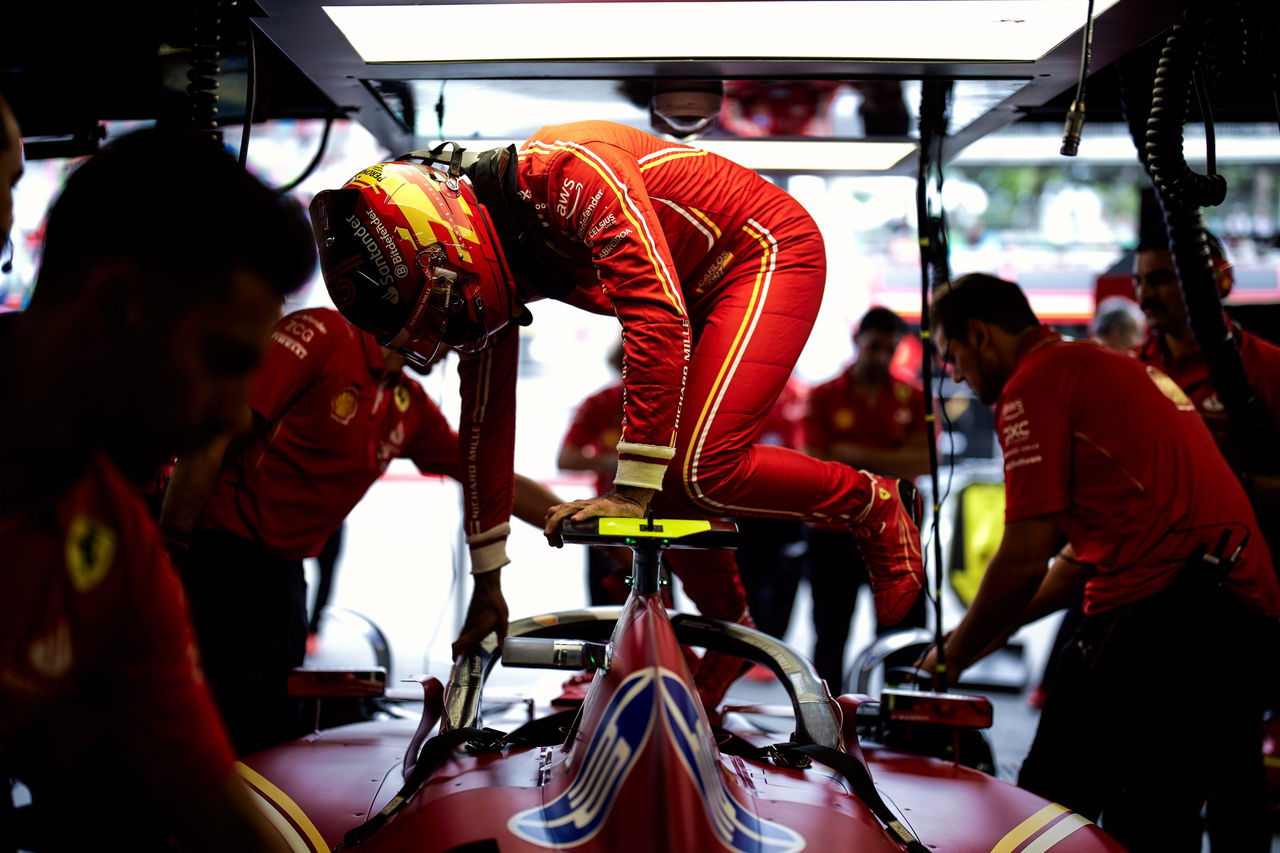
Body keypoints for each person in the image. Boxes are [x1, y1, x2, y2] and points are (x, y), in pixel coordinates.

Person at [309, 120, 925, 658]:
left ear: (446, 240)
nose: (449, 328)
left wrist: (629, 493)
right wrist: (488, 585)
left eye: (439, 304)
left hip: (761, 254)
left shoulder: (569, 169)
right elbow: (484, 430)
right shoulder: (492, 257)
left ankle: (871, 503)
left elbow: (655, 317)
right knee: (670, 479)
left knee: (698, 469)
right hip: (694, 293)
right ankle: (727, 639)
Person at [0, 127, 314, 851]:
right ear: (115, 303)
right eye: (223, 359)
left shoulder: (113, 547)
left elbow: (205, 799)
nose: (238, 412)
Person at [921, 273, 1280, 852]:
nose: (954, 374)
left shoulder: (1034, 386)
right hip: (1238, 607)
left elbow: (1023, 558)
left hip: (1173, 607)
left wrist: (953, 656)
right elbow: (1076, 561)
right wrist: (969, 643)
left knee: (1049, 805)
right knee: (1165, 809)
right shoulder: (1101, 365)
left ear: (979, 335)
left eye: (950, 354)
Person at [160, 306, 561, 754]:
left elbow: (485, 478)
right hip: (215, 558)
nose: (453, 354)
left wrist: (578, 519)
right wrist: (170, 554)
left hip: (283, 577)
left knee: (268, 737)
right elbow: (211, 435)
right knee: (201, 734)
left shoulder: (406, 402)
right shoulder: (325, 336)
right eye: (456, 334)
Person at [1131, 230, 1280, 850]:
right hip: (1146, 598)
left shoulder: (1266, 367)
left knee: (1231, 768)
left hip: (1237, 601)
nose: (1148, 295)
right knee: (1152, 776)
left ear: (1212, 279)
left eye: (1164, 278)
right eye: (1142, 281)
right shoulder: (1131, 374)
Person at [801, 306, 930, 692]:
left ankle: (900, 726)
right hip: (833, 534)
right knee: (829, 636)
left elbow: (924, 460)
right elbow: (815, 461)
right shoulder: (823, 395)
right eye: (875, 347)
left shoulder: (915, 396)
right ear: (857, 341)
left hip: (896, 534)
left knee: (903, 639)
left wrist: (851, 454)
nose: (882, 357)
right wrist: (891, 461)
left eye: (890, 349)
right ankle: (828, 725)